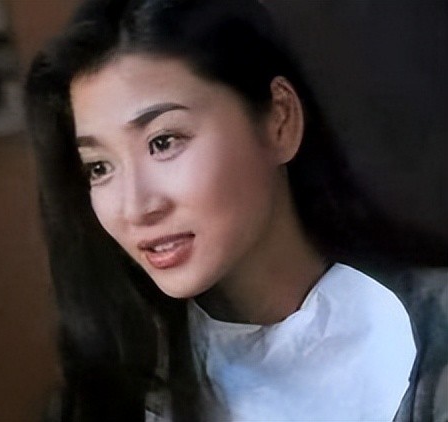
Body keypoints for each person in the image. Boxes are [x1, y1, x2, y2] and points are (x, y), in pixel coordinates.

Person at [25, 0, 447, 420]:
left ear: (280, 120)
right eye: (99, 168)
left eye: (163, 142)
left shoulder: (431, 334)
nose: (135, 208)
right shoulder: (112, 392)